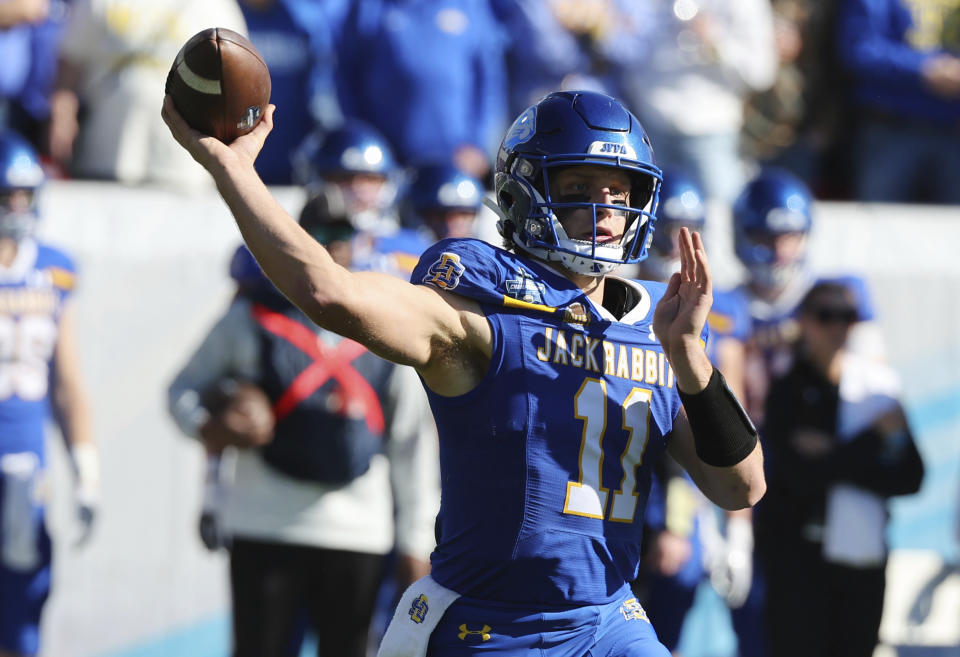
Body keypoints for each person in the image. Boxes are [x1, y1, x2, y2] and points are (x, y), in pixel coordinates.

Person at [162, 87, 766, 655]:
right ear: (524, 193)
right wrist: (234, 172)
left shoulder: (655, 329)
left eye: (618, 190)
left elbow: (740, 486)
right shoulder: (481, 313)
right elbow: (330, 294)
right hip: (486, 623)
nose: (603, 210)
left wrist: (690, 359)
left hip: (607, 619)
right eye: (580, 185)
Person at [167, 191, 439, 657]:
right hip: (265, 523)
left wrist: (415, 540)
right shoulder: (252, 316)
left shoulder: (387, 324)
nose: (331, 247)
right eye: (319, 236)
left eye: (342, 236)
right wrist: (211, 424)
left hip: (358, 528)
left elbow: (410, 441)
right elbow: (182, 391)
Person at [758, 280, 924, 656]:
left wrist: (832, 455)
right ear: (804, 321)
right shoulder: (788, 389)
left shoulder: (878, 389)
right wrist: (870, 442)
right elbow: (796, 478)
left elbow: (911, 476)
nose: (836, 326)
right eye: (825, 315)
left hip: (861, 565)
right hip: (799, 566)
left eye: (847, 316)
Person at [0, 130, 98, 657]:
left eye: (23, 195)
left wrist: (85, 466)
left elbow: (66, 380)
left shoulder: (53, 268)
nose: (16, 208)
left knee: (21, 609)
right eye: (5, 196)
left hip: (22, 466)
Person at [47, 0, 246, 188]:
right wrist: (62, 115)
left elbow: (237, 69)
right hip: (109, 146)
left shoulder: (215, 5)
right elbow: (72, 57)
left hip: (182, 158)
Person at [835, 0, 960, 204]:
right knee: (879, 224)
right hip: (892, 128)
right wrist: (924, 69)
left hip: (953, 132)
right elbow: (860, 49)